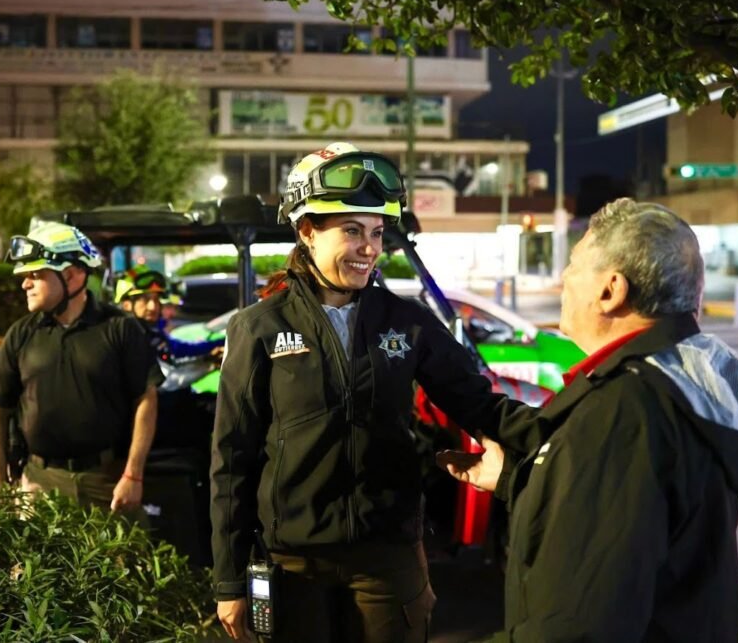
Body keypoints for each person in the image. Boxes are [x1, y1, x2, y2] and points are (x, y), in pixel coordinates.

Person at [210, 142, 536, 643]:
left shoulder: (406, 321)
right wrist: (230, 579)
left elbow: (479, 403)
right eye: (352, 231)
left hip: (389, 558)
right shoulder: (258, 328)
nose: (369, 248)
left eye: (378, 233)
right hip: (294, 564)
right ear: (306, 232)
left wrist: (560, 437)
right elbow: (231, 459)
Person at [439, 198, 738, 642]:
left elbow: (575, 627)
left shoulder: (623, 413)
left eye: (576, 264)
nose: (563, 277)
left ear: (610, 290)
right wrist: (521, 481)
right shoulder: (681, 381)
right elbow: (631, 524)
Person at [0, 222, 164, 519]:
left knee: (121, 565)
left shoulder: (119, 329)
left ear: (71, 275)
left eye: (35, 275)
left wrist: (132, 476)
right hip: (38, 482)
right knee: (33, 566)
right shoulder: (21, 333)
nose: (25, 284)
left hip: (107, 481)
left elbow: (146, 400)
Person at [114, 265, 223, 364]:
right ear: (126, 305)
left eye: (156, 299)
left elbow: (177, 351)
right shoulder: (120, 340)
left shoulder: (152, 333)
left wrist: (223, 343)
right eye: (145, 299)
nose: (153, 307)